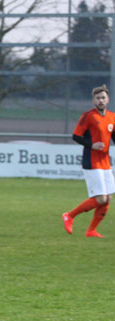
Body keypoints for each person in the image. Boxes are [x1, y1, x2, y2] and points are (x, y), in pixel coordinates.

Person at [62, 85, 115, 238]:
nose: (101, 100)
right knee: (100, 198)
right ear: (93, 100)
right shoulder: (88, 116)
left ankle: (91, 231)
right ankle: (69, 216)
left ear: (108, 99)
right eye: (98, 98)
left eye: (103, 98)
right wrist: (92, 145)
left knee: (107, 199)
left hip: (105, 161)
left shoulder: (112, 117)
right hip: (91, 161)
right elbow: (76, 136)